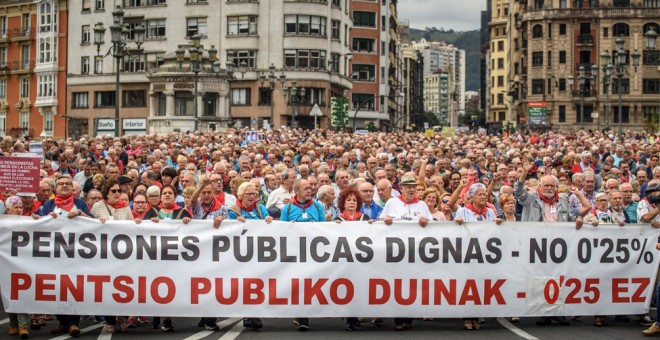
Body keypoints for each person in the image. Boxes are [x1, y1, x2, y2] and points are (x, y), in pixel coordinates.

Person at [380, 174, 432, 331]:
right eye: (408, 187)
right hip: (397, 252)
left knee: (413, 284)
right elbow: (380, 222)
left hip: (415, 252)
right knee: (397, 284)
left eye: (413, 187)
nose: (411, 190)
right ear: (400, 188)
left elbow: (433, 225)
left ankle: (409, 318)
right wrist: (386, 220)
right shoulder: (392, 202)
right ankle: (398, 318)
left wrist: (426, 221)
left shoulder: (422, 205)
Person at [222, 182, 272, 330]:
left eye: (254, 194)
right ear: (240, 195)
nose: (252, 197)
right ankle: (247, 313)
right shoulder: (233, 210)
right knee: (245, 284)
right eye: (248, 194)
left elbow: (268, 221)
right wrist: (236, 223)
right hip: (241, 253)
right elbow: (228, 229)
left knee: (257, 284)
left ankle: (254, 314)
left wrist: (269, 220)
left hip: (259, 252)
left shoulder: (261, 208)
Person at [280, 178, 326, 331]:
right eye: (306, 188)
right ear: (297, 191)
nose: (310, 190)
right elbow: (281, 231)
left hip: (314, 253)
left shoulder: (318, 206)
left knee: (311, 284)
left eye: (311, 187)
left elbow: (325, 229)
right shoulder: (287, 209)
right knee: (299, 284)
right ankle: (302, 316)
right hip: (295, 254)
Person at [89, 178, 133, 333]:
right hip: (104, 255)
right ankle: (110, 320)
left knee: (124, 287)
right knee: (107, 288)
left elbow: (133, 230)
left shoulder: (126, 209)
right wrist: (97, 223)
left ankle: (123, 317)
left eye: (119, 191)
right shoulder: (97, 207)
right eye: (113, 191)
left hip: (122, 255)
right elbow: (88, 227)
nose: (117, 193)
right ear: (106, 193)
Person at [4, 195, 30, 338]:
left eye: (21, 207)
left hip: (21, 264)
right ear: (8, 210)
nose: (19, 210)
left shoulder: (28, 221)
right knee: (9, 295)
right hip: (6, 263)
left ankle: (23, 326)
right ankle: (13, 324)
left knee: (20, 294)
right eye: (16, 207)